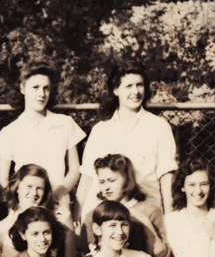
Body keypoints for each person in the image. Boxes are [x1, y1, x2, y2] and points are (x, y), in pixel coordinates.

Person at [76, 64, 177, 221]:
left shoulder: (159, 126)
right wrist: (77, 218)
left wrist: (170, 217)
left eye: (139, 85)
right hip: (103, 215)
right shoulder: (100, 129)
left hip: (144, 214)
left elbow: (166, 179)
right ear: (116, 90)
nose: (135, 92)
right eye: (128, 86)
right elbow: (87, 179)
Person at [0, 64, 85, 213]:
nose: (41, 94)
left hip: (58, 204)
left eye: (46, 88)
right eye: (35, 87)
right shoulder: (9, 132)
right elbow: (3, 180)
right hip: (24, 207)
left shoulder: (64, 123)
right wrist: (16, 208)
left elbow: (75, 170)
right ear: (22, 88)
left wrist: (54, 196)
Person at [0, 163, 80, 257]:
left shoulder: (52, 224)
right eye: (29, 186)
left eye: (39, 188)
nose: (34, 193)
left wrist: (69, 230)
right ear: (17, 187)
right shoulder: (0, 228)